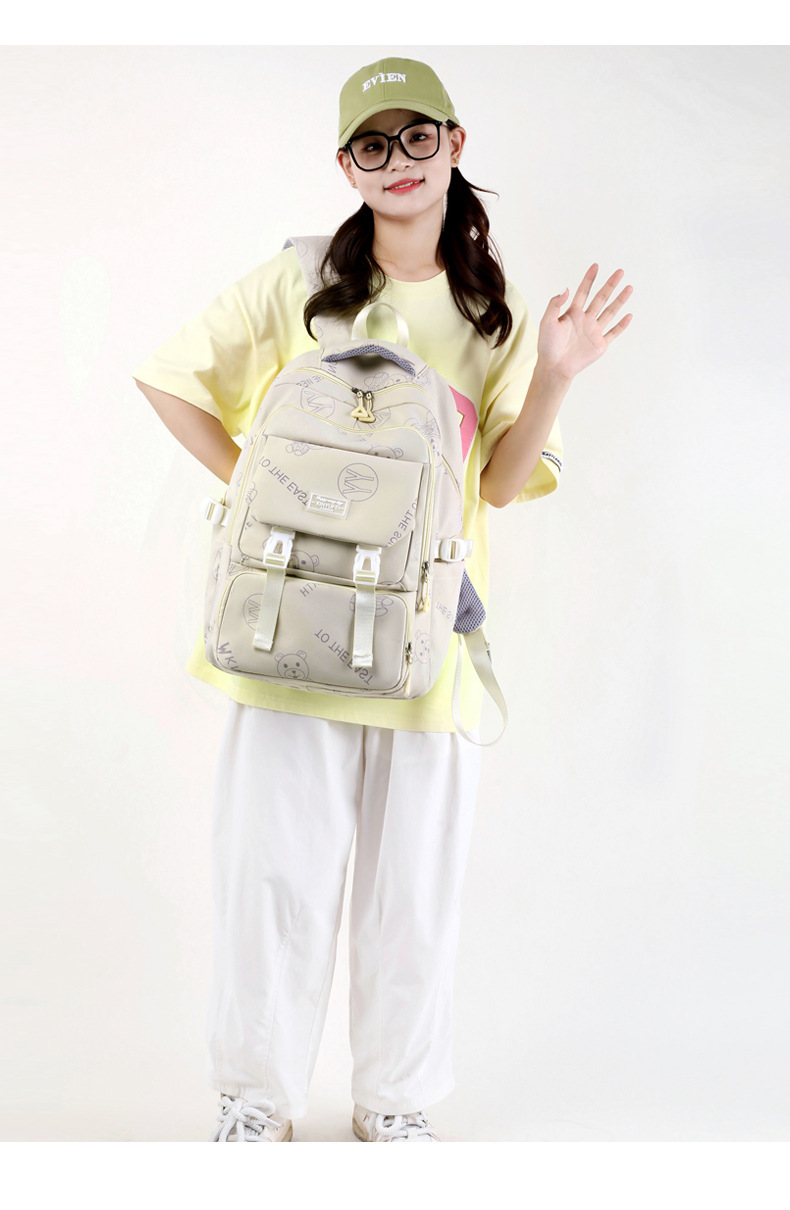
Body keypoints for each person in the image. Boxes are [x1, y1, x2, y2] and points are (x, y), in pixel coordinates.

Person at [132, 56, 633, 1143]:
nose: (397, 160)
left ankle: (393, 1105)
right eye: (373, 143)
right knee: (272, 878)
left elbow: (498, 487)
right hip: (290, 635)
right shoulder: (299, 281)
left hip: (425, 641)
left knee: (411, 893)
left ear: (454, 145)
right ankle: (255, 1100)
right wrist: (262, 494)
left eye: (417, 137)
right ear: (346, 166)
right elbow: (171, 378)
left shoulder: (494, 314)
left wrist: (556, 371)